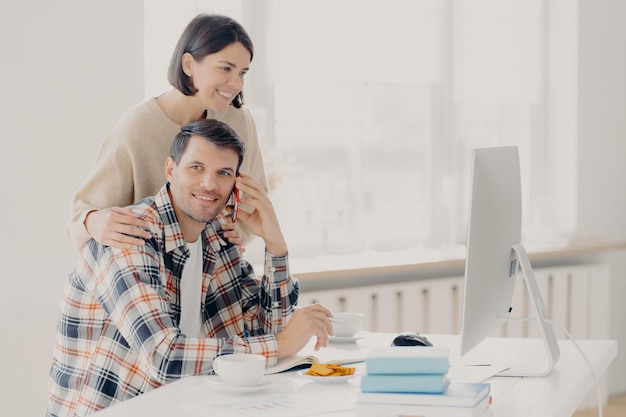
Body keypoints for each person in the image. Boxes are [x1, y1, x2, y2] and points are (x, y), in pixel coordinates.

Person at [47, 119, 333, 417]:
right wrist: (279, 344)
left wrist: (275, 244)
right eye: (196, 168)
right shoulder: (130, 236)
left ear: (236, 183)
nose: (209, 184)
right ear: (171, 170)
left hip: (184, 404)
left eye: (223, 173)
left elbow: (266, 329)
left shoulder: (217, 236)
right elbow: (163, 356)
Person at [67, 13, 268, 252]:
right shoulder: (136, 128)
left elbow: (253, 201)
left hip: (211, 274)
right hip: (148, 272)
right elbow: (81, 218)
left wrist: (238, 233)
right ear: (188, 64)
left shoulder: (239, 121)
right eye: (225, 68)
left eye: (242, 73)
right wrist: (92, 221)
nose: (236, 83)